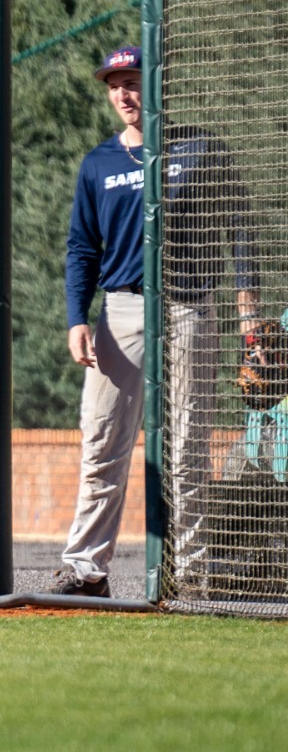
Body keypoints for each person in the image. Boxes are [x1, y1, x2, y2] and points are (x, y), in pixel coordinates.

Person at [56, 45, 255, 597]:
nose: (123, 93)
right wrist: (77, 317)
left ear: (158, 84)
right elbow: (81, 248)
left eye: (133, 81)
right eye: (114, 83)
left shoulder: (201, 148)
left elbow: (239, 222)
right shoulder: (99, 162)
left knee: (188, 446)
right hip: (120, 312)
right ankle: (85, 570)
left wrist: (247, 304)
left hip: (190, 305)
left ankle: (190, 573)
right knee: (101, 443)